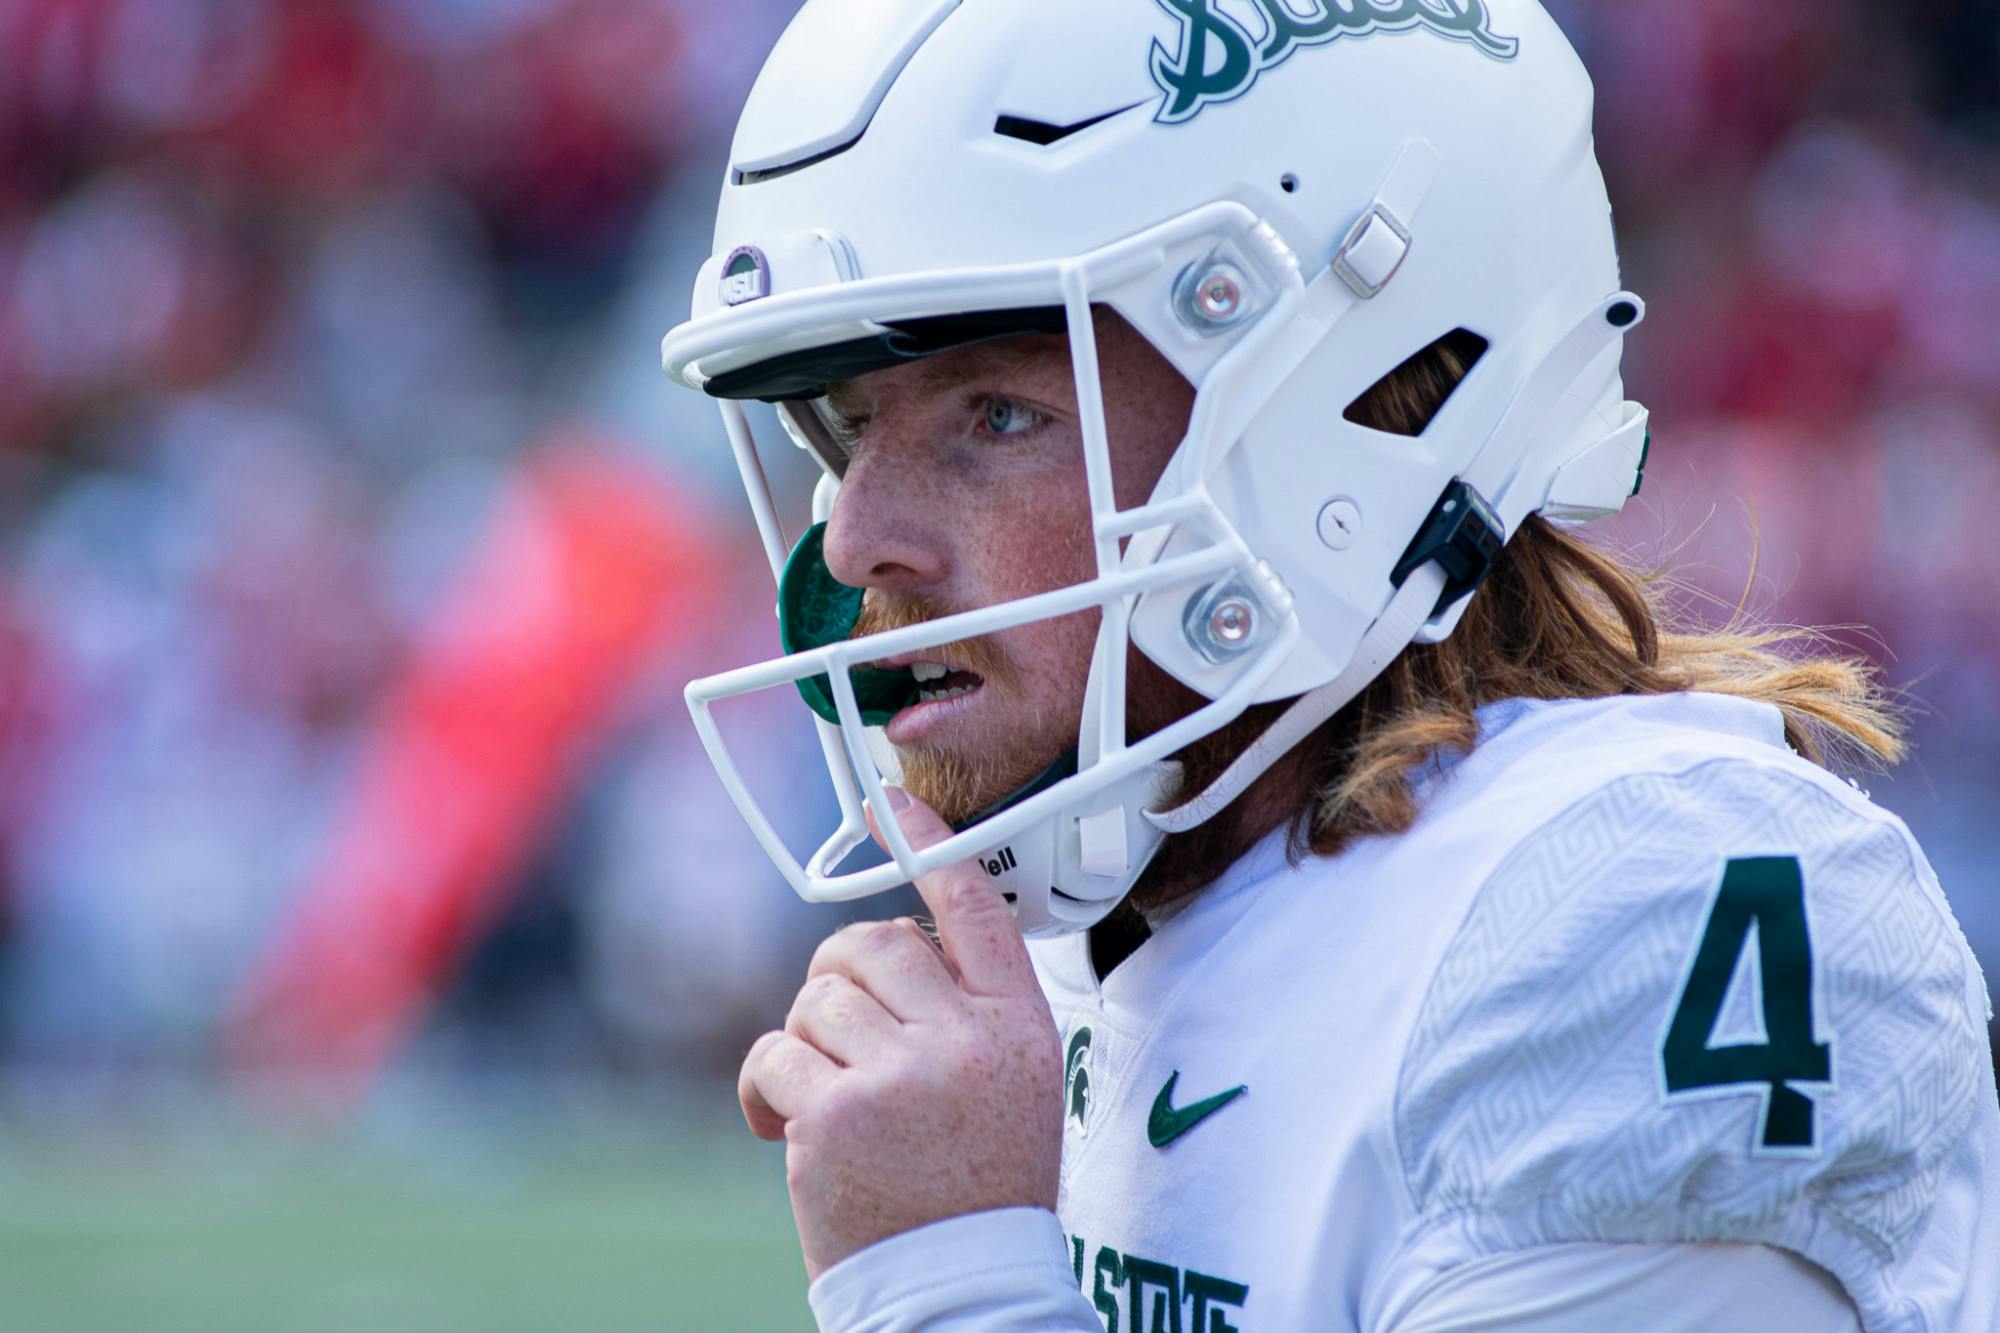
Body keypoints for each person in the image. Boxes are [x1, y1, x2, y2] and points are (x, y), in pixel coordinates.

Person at [659, 1, 2000, 1329]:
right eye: (843, 427)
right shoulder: (1133, 885)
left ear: (1361, 403)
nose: (854, 537)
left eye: (996, 413)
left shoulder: (1637, 906)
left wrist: (947, 1285)